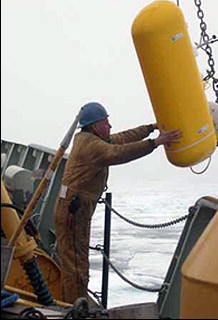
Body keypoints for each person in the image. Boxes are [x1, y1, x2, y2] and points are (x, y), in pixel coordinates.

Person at [53, 102, 182, 304]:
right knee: (77, 266)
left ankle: (71, 302)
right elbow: (118, 153)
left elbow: (122, 138)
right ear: (94, 126)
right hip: (73, 212)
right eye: (106, 122)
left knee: (74, 262)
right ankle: (76, 309)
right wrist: (155, 143)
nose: (110, 126)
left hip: (73, 208)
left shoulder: (90, 138)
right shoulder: (92, 145)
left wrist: (151, 127)